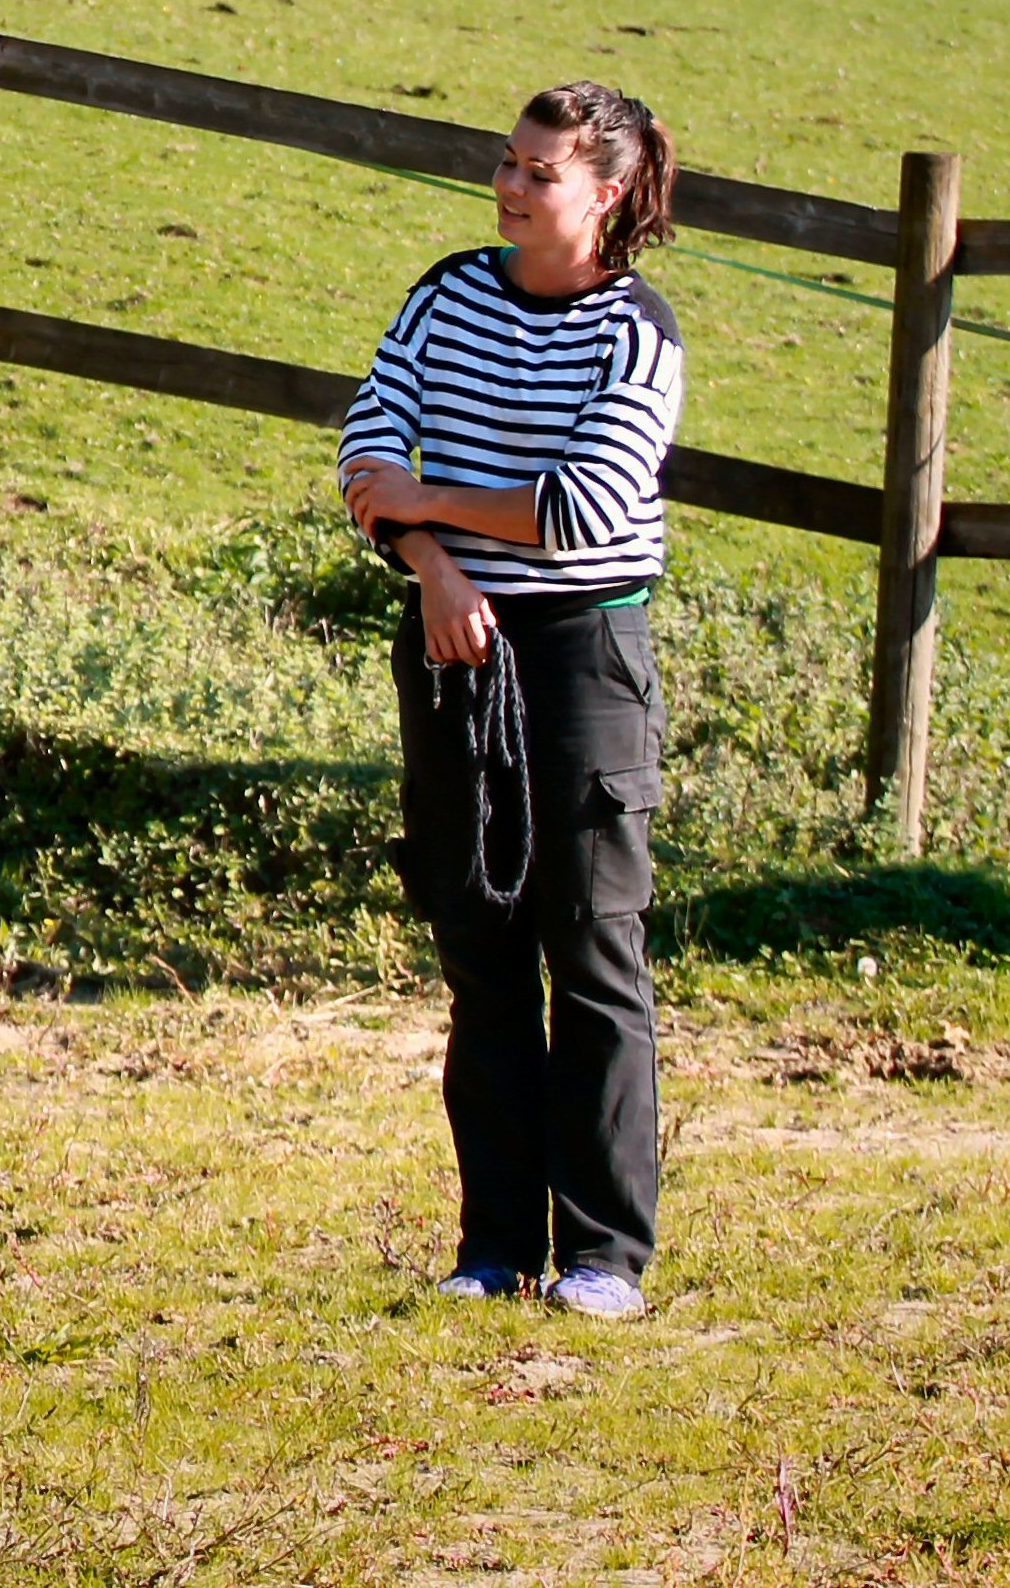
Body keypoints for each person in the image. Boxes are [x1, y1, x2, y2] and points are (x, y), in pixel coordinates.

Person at [337, 81, 682, 1322]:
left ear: (606, 194)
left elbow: (579, 506)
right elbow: (364, 454)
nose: (511, 186)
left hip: (581, 649)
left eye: (540, 173)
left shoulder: (635, 335)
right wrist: (429, 565)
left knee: (589, 947)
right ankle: (493, 1243)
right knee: (477, 945)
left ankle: (602, 1255)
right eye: (508, 162)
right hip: (449, 637)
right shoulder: (446, 294)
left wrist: (430, 505)